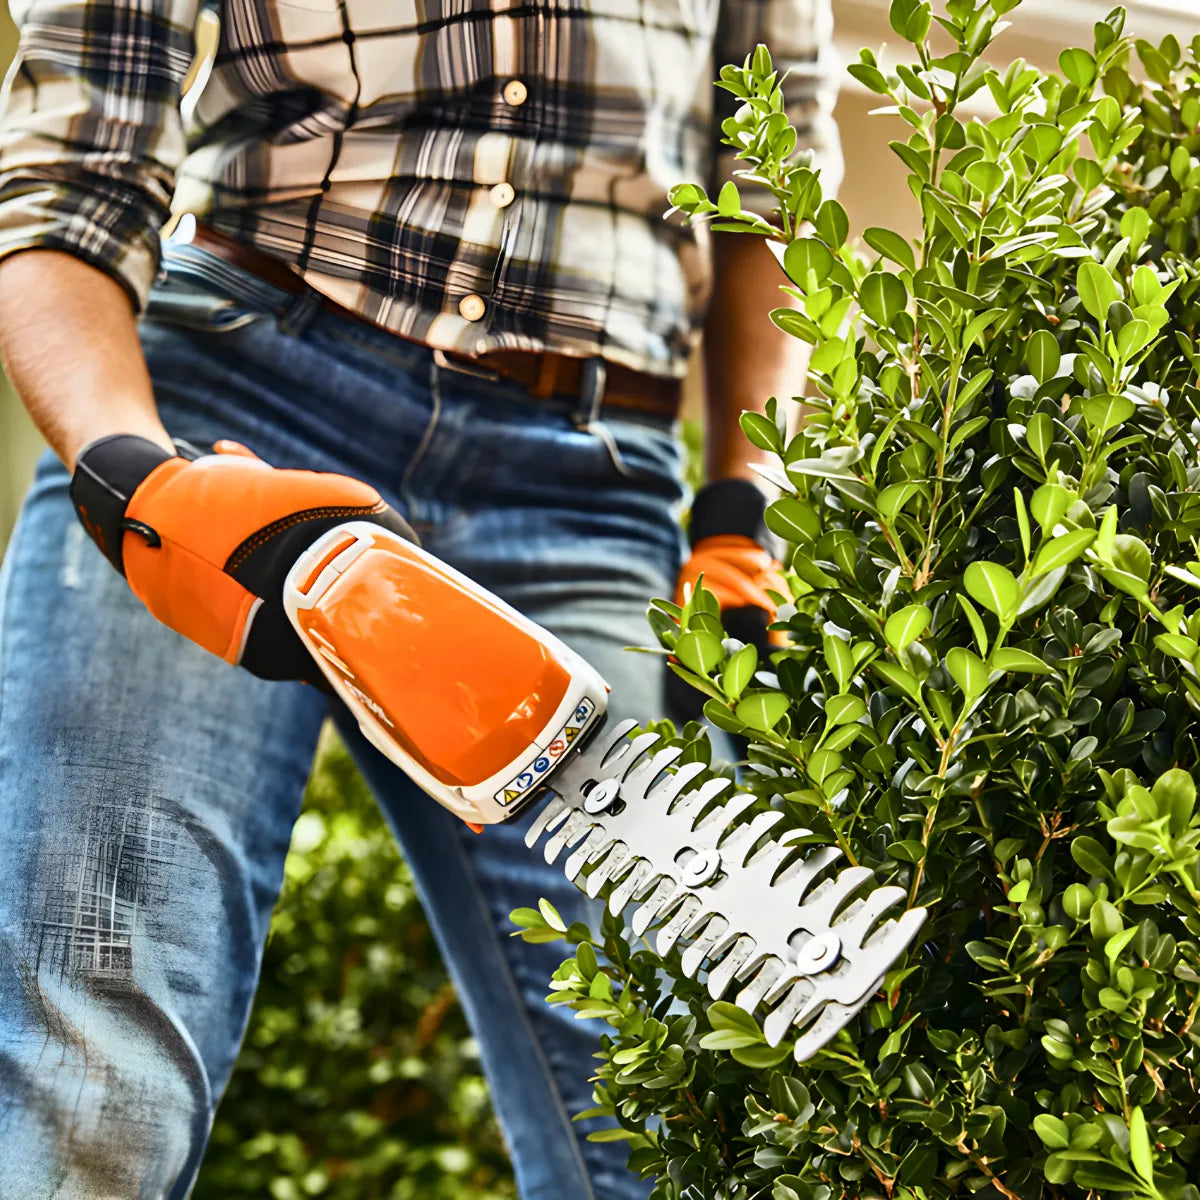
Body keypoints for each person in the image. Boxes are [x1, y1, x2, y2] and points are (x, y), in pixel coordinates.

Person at [0, 0, 840, 1195]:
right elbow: (75, 161)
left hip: (590, 488)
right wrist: (131, 472)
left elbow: (772, 184)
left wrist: (745, 501)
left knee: (659, 1121)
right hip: (234, 411)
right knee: (94, 1089)